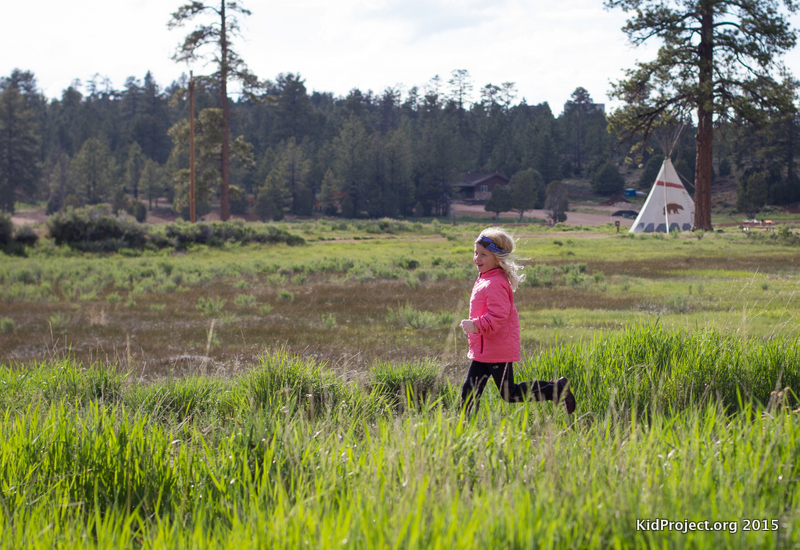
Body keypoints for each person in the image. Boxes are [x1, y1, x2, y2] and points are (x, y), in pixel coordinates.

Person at [459, 227, 576, 416]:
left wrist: (476, 326)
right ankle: (463, 426)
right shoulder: (486, 278)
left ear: (497, 259)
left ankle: (555, 390)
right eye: (475, 253)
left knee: (510, 394)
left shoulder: (495, 283)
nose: (477, 259)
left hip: (497, 350)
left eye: (483, 255)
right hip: (483, 350)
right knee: (469, 392)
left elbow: (498, 316)